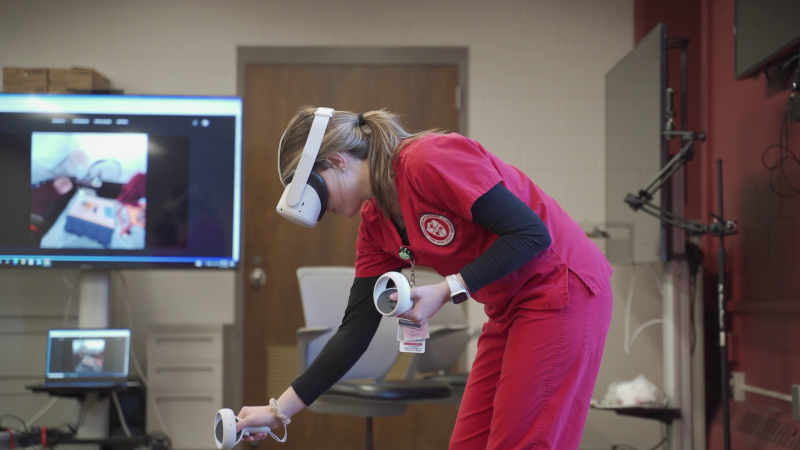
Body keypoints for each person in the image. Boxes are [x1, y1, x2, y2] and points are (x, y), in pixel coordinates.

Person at [236, 106, 614, 449]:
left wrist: (447, 290)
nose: (321, 210)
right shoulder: (374, 228)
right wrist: (278, 411)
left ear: (337, 161)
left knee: (520, 443)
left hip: (561, 287)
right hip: (507, 307)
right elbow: (353, 333)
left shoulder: (426, 160)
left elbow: (531, 234)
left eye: (315, 192)